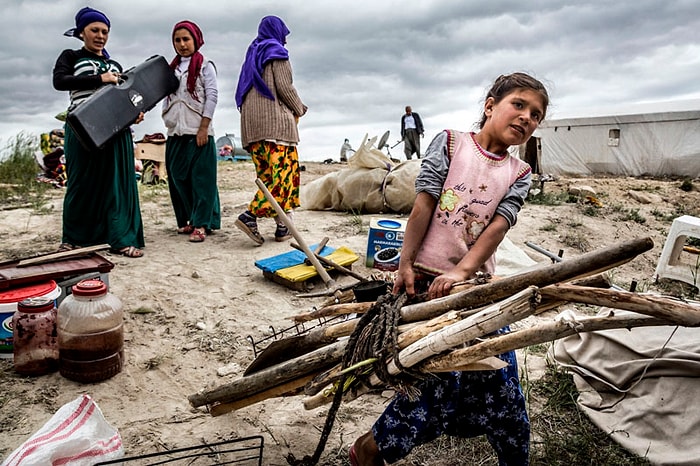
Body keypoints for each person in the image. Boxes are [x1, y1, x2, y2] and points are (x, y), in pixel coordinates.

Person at [350, 72, 549, 466]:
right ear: (490, 105)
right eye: (519, 105)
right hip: (426, 283)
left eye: (537, 115)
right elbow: (423, 204)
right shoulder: (453, 143)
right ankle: (368, 450)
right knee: (432, 386)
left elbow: (497, 228)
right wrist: (405, 265)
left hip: (475, 290)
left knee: (503, 383)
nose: (527, 117)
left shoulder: (519, 173)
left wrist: (463, 273)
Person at [53, 7, 145, 258]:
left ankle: (120, 239)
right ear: (82, 32)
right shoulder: (71, 56)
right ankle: (73, 239)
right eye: (94, 30)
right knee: (80, 184)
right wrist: (100, 79)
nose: (101, 36)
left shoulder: (114, 64)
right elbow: (60, 81)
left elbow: (126, 96)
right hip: (81, 128)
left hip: (115, 130)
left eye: (105, 31)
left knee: (115, 185)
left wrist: (134, 113)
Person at [234, 15, 307, 246]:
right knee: (283, 177)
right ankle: (250, 216)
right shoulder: (276, 53)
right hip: (276, 128)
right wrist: (300, 109)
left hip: (253, 130)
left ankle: (282, 225)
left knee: (267, 177)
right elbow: (285, 88)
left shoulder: (251, 57)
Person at [162, 20, 221, 243]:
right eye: (177, 40)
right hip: (175, 132)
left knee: (201, 180)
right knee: (178, 177)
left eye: (186, 39)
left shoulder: (205, 65)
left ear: (196, 39)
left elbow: (212, 96)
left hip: (198, 131)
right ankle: (189, 219)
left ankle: (201, 224)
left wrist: (204, 128)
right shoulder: (171, 68)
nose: (182, 44)